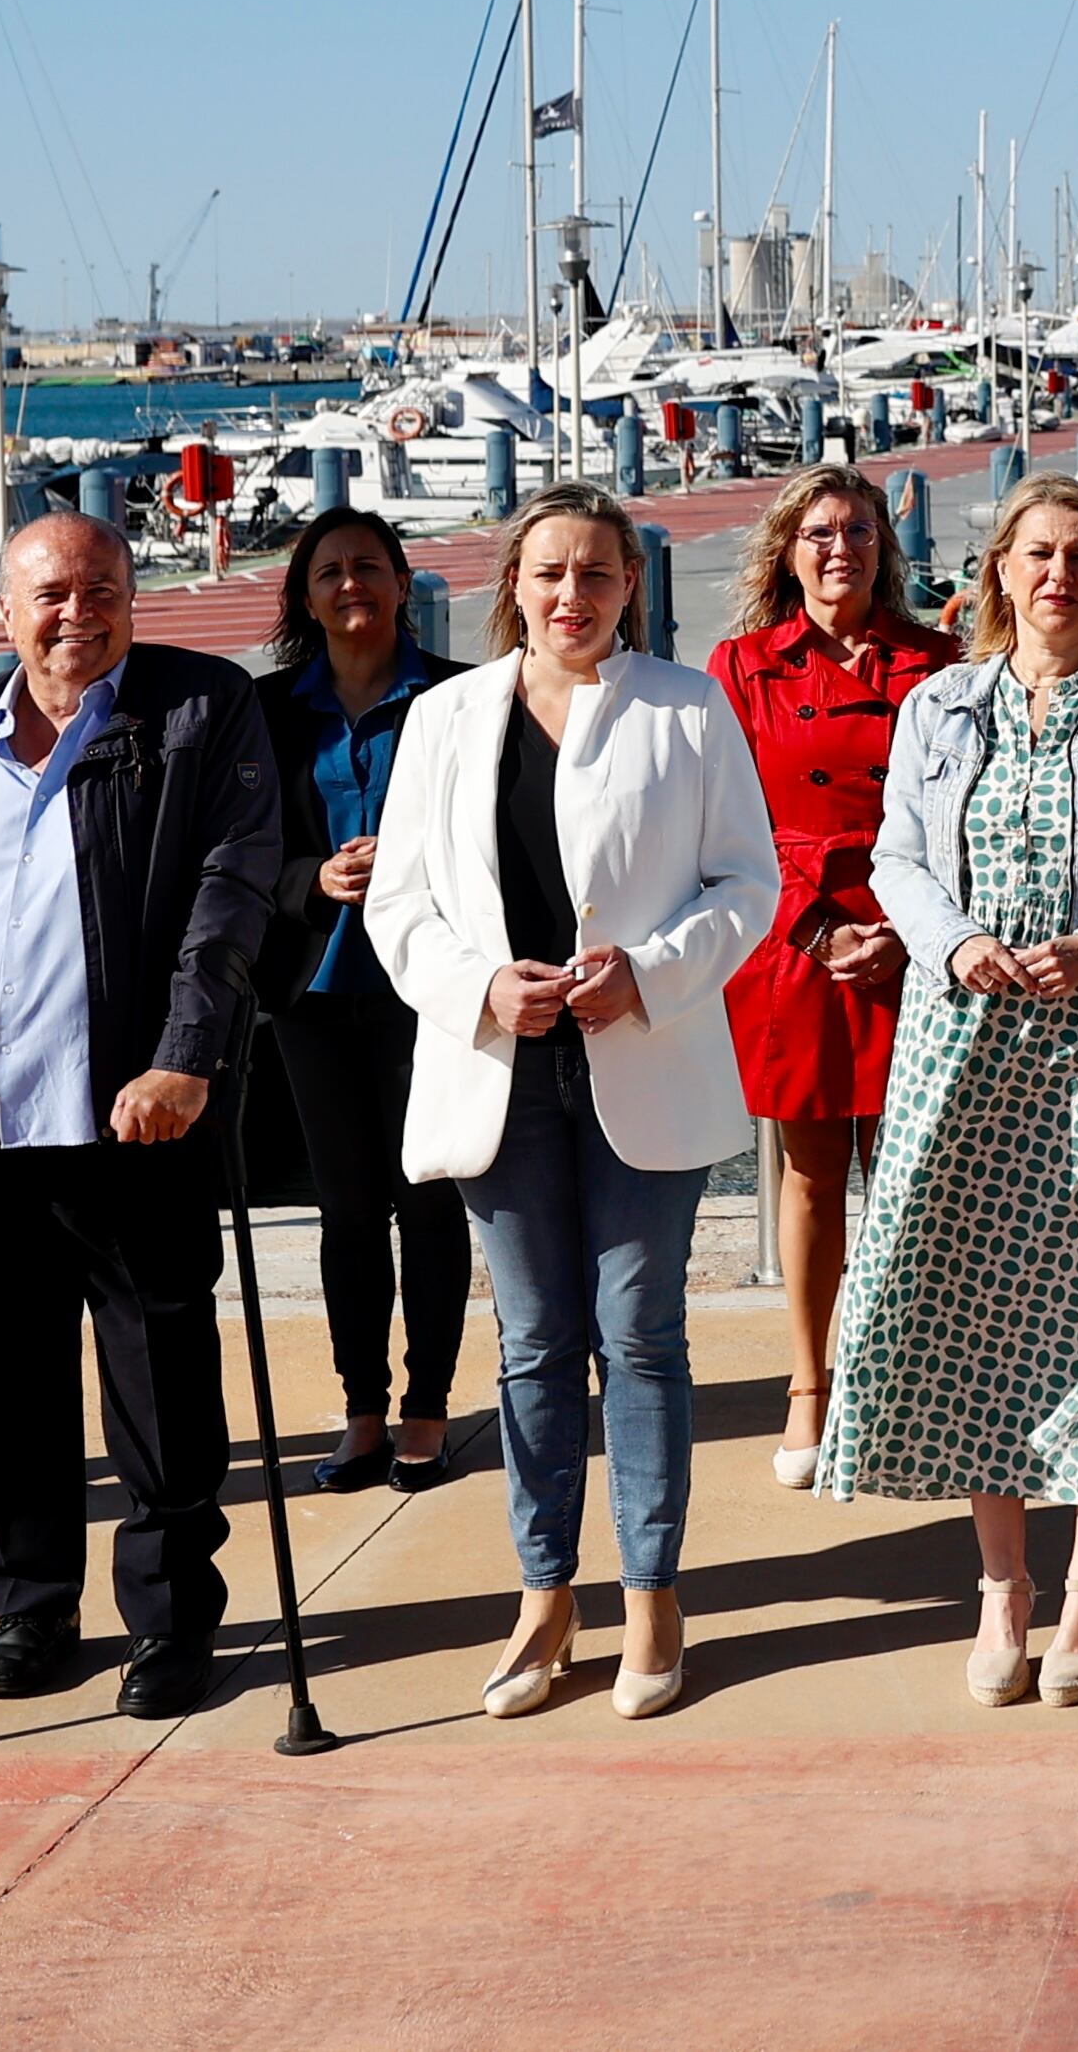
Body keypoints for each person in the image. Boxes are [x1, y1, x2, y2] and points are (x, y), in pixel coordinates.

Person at [0, 511, 279, 1720]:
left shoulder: (199, 711)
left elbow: (231, 890)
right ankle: (31, 1606)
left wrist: (185, 1058)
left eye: (101, 591)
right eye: (51, 594)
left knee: (161, 1386)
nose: (77, 614)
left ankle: (173, 1618)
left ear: (133, 599)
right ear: (6, 609)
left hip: (132, 1123)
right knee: (3, 1388)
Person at [370, 481, 775, 1722]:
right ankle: (546, 1591)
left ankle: (652, 1591)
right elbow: (400, 902)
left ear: (630, 586)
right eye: (550, 571)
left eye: (598, 572)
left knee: (641, 1332)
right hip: (503, 1069)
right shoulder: (444, 717)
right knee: (536, 1342)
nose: (573, 595)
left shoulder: (687, 708)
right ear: (514, 585)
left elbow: (747, 884)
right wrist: (484, 986)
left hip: (640, 1061)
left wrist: (646, 974)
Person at [830, 474, 1078, 1707]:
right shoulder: (939, 704)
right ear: (999, 568)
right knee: (971, 1301)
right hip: (964, 1040)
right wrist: (952, 943)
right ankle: (1003, 1581)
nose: (1060, 575)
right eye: (1039, 553)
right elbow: (896, 858)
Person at [707, 465, 965, 1490]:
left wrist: (908, 927)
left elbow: (961, 811)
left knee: (912, 1178)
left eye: (858, 530)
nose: (839, 548)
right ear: (787, 548)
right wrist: (815, 926)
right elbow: (724, 822)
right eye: (818, 531)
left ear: (882, 548)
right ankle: (810, 1382)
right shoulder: (740, 666)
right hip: (794, 937)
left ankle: (901, 1377)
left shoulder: (937, 660)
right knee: (812, 1171)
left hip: (916, 935)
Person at [254, 506, 469, 1495]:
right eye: (331, 571)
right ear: (306, 595)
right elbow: (239, 843)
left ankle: (428, 1407)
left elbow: (496, 834)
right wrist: (313, 878)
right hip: (315, 988)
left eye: (370, 567)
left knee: (428, 1198)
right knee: (345, 1212)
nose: (352, 584)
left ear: (401, 583)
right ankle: (362, 1411)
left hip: (429, 986)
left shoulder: (459, 697)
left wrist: (413, 866)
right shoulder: (266, 709)